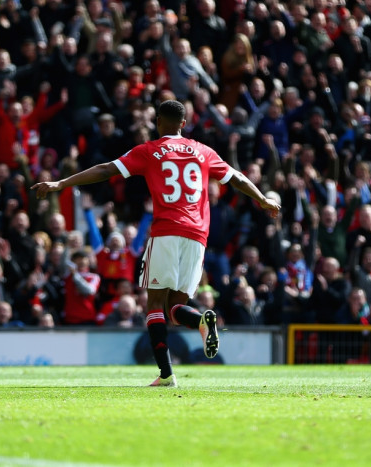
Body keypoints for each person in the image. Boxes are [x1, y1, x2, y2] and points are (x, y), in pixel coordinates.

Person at [32, 100, 281, 386]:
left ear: (158, 122)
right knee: (176, 308)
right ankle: (200, 321)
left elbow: (105, 170)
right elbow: (235, 177)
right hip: (198, 236)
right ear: (184, 124)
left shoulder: (149, 151)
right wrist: (262, 199)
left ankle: (166, 375)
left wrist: (61, 183)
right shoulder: (203, 151)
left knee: (154, 303)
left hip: (166, 231)